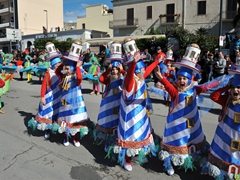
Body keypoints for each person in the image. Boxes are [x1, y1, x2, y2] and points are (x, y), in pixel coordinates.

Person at [154, 44, 224, 176]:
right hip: (175, 127)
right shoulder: (175, 92)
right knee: (173, 147)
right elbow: (168, 86)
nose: (181, 81)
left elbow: (205, 87)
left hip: (191, 126)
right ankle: (168, 163)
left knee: (191, 143)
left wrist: (219, 82)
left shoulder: (193, 89)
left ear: (189, 80)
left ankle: (190, 160)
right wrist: (161, 77)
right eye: (179, 78)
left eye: (184, 79)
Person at [112, 37, 160, 172]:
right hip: (130, 115)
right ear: (135, 72)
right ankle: (126, 159)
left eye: (143, 70)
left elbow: (148, 70)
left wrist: (157, 61)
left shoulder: (141, 77)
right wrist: (133, 64)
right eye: (141, 71)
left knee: (141, 133)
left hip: (141, 112)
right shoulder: (130, 81)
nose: (144, 72)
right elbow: (128, 77)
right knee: (130, 136)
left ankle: (137, 154)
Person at [202, 62, 240, 179]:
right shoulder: (227, 99)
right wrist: (226, 87)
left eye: (239, 87)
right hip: (223, 138)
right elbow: (214, 96)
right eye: (233, 87)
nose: (236, 90)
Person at [55, 40, 91, 147]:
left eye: (67, 68)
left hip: (76, 102)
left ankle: (75, 138)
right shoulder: (63, 76)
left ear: (72, 69)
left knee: (75, 120)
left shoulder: (75, 77)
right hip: (65, 101)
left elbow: (80, 78)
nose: (65, 70)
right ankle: (66, 136)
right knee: (66, 119)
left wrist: (78, 67)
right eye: (65, 68)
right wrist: (64, 61)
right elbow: (57, 71)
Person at [28, 42, 62, 139]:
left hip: (58, 96)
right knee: (47, 114)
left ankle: (54, 128)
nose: (59, 65)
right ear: (54, 64)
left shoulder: (61, 73)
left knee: (56, 113)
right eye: (58, 63)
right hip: (49, 96)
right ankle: (47, 130)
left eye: (60, 63)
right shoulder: (49, 73)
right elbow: (43, 86)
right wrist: (42, 97)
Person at [94, 60, 124, 153]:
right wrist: (108, 70)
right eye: (113, 69)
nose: (114, 71)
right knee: (108, 123)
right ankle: (107, 141)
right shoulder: (109, 79)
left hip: (119, 105)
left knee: (117, 123)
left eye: (117, 69)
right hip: (108, 106)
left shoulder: (123, 78)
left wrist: (122, 70)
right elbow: (101, 79)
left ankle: (115, 142)